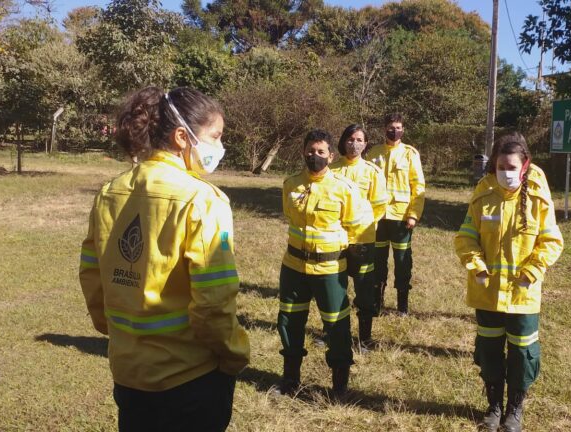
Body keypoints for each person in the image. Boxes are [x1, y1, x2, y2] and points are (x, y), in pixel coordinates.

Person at [79, 86, 250, 432]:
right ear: (182, 137)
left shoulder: (110, 193)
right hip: (189, 380)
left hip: (128, 374)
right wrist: (235, 356)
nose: (220, 148)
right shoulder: (202, 200)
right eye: (215, 137)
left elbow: (92, 278)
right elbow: (213, 304)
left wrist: (121, 338)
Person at [453, 132, 563, 432]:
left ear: (525, 165)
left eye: (512, 167)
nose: (506, 172)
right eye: (501, 166)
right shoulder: (483, 194)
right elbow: (466, 237)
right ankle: (493, 407)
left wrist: (532, 272)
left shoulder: (538, 197)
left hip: (523, 295)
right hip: (487, 292)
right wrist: (475, 265)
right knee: (489, 351)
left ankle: (514, 409)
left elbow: (551, 241)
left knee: (522, 354)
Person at [276, 129, 374, 397]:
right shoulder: (291, 184)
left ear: (331, 156)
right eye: (310, 150)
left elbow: (360, 228)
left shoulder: (345, 189)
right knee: (289, 321)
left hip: (330, 270)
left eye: (320, 152)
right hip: (294, 267)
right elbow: (289, 215)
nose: (314, 156)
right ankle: (290, 380)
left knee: (337, 324)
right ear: (303, 152)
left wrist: (357, 263)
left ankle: (339, 385)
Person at [330, 124, 388, 350]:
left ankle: (365, 338)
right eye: (350, 139)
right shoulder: (332, 170)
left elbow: (379, 206)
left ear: (366, 144)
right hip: (335, 240)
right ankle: (336, 333)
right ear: (343, 141)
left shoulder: (372, 172)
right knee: (336, 288)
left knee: (364, 289)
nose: (354, 144)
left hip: (363, 240)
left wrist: (364, 227)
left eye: (359, 139)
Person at [365, 113, 425, 316]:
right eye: (391, 127)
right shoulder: (374, 152)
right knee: (378, 260)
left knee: (402, 262)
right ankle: (377, 302)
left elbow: (418, 186)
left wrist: (413, 215)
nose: (394, 131)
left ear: (403, 130)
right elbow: (366, 184)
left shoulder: (410, 153)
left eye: (398, 127)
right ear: (384, 129)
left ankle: (402, 306)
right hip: (378, 218)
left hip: (401, 218)